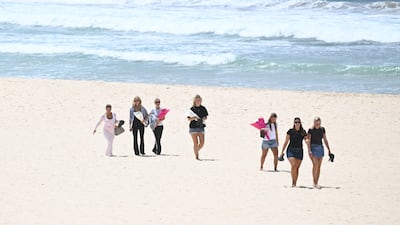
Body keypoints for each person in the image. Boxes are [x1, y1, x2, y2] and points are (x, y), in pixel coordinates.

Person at [279, 117, 308, 187]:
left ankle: (294, 183)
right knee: (294, 165)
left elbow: (307, 139)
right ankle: (293, 183)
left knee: (297, 168)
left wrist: (307, 140)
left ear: (300, 123)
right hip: (291, 150)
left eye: (298, 122)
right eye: (296, 122)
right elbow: (286, 141)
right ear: (294, 123)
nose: (297, 123)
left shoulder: (303, 131)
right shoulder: (290, 131)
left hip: (300, 151)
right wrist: (282, 151)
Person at [307, 117, 332, 189]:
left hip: (320, 147)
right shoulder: (311, 130)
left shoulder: (322, 129)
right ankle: (314, 182)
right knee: (315, 164)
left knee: (319, 166)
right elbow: (308, 140)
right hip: (313, 147)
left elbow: (325, 140)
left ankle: (316, 182)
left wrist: (329, 150)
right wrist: (309, 150)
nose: (317, 123)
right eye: (316, 122)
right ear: (314, 122)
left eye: (318, 122)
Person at [187, 95, 208, 160]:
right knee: (195, 143)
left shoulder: (203, 108)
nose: (198, 101)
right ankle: (197, 156)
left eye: (199, 100)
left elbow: (206, 117)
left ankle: (196, 151)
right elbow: (188, 119)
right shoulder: (191, 109)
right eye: (197, 100)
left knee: (202, 143)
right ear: (194, 101)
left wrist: (204, 118)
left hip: (201, 127)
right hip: (193, 127)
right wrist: (194, 118)